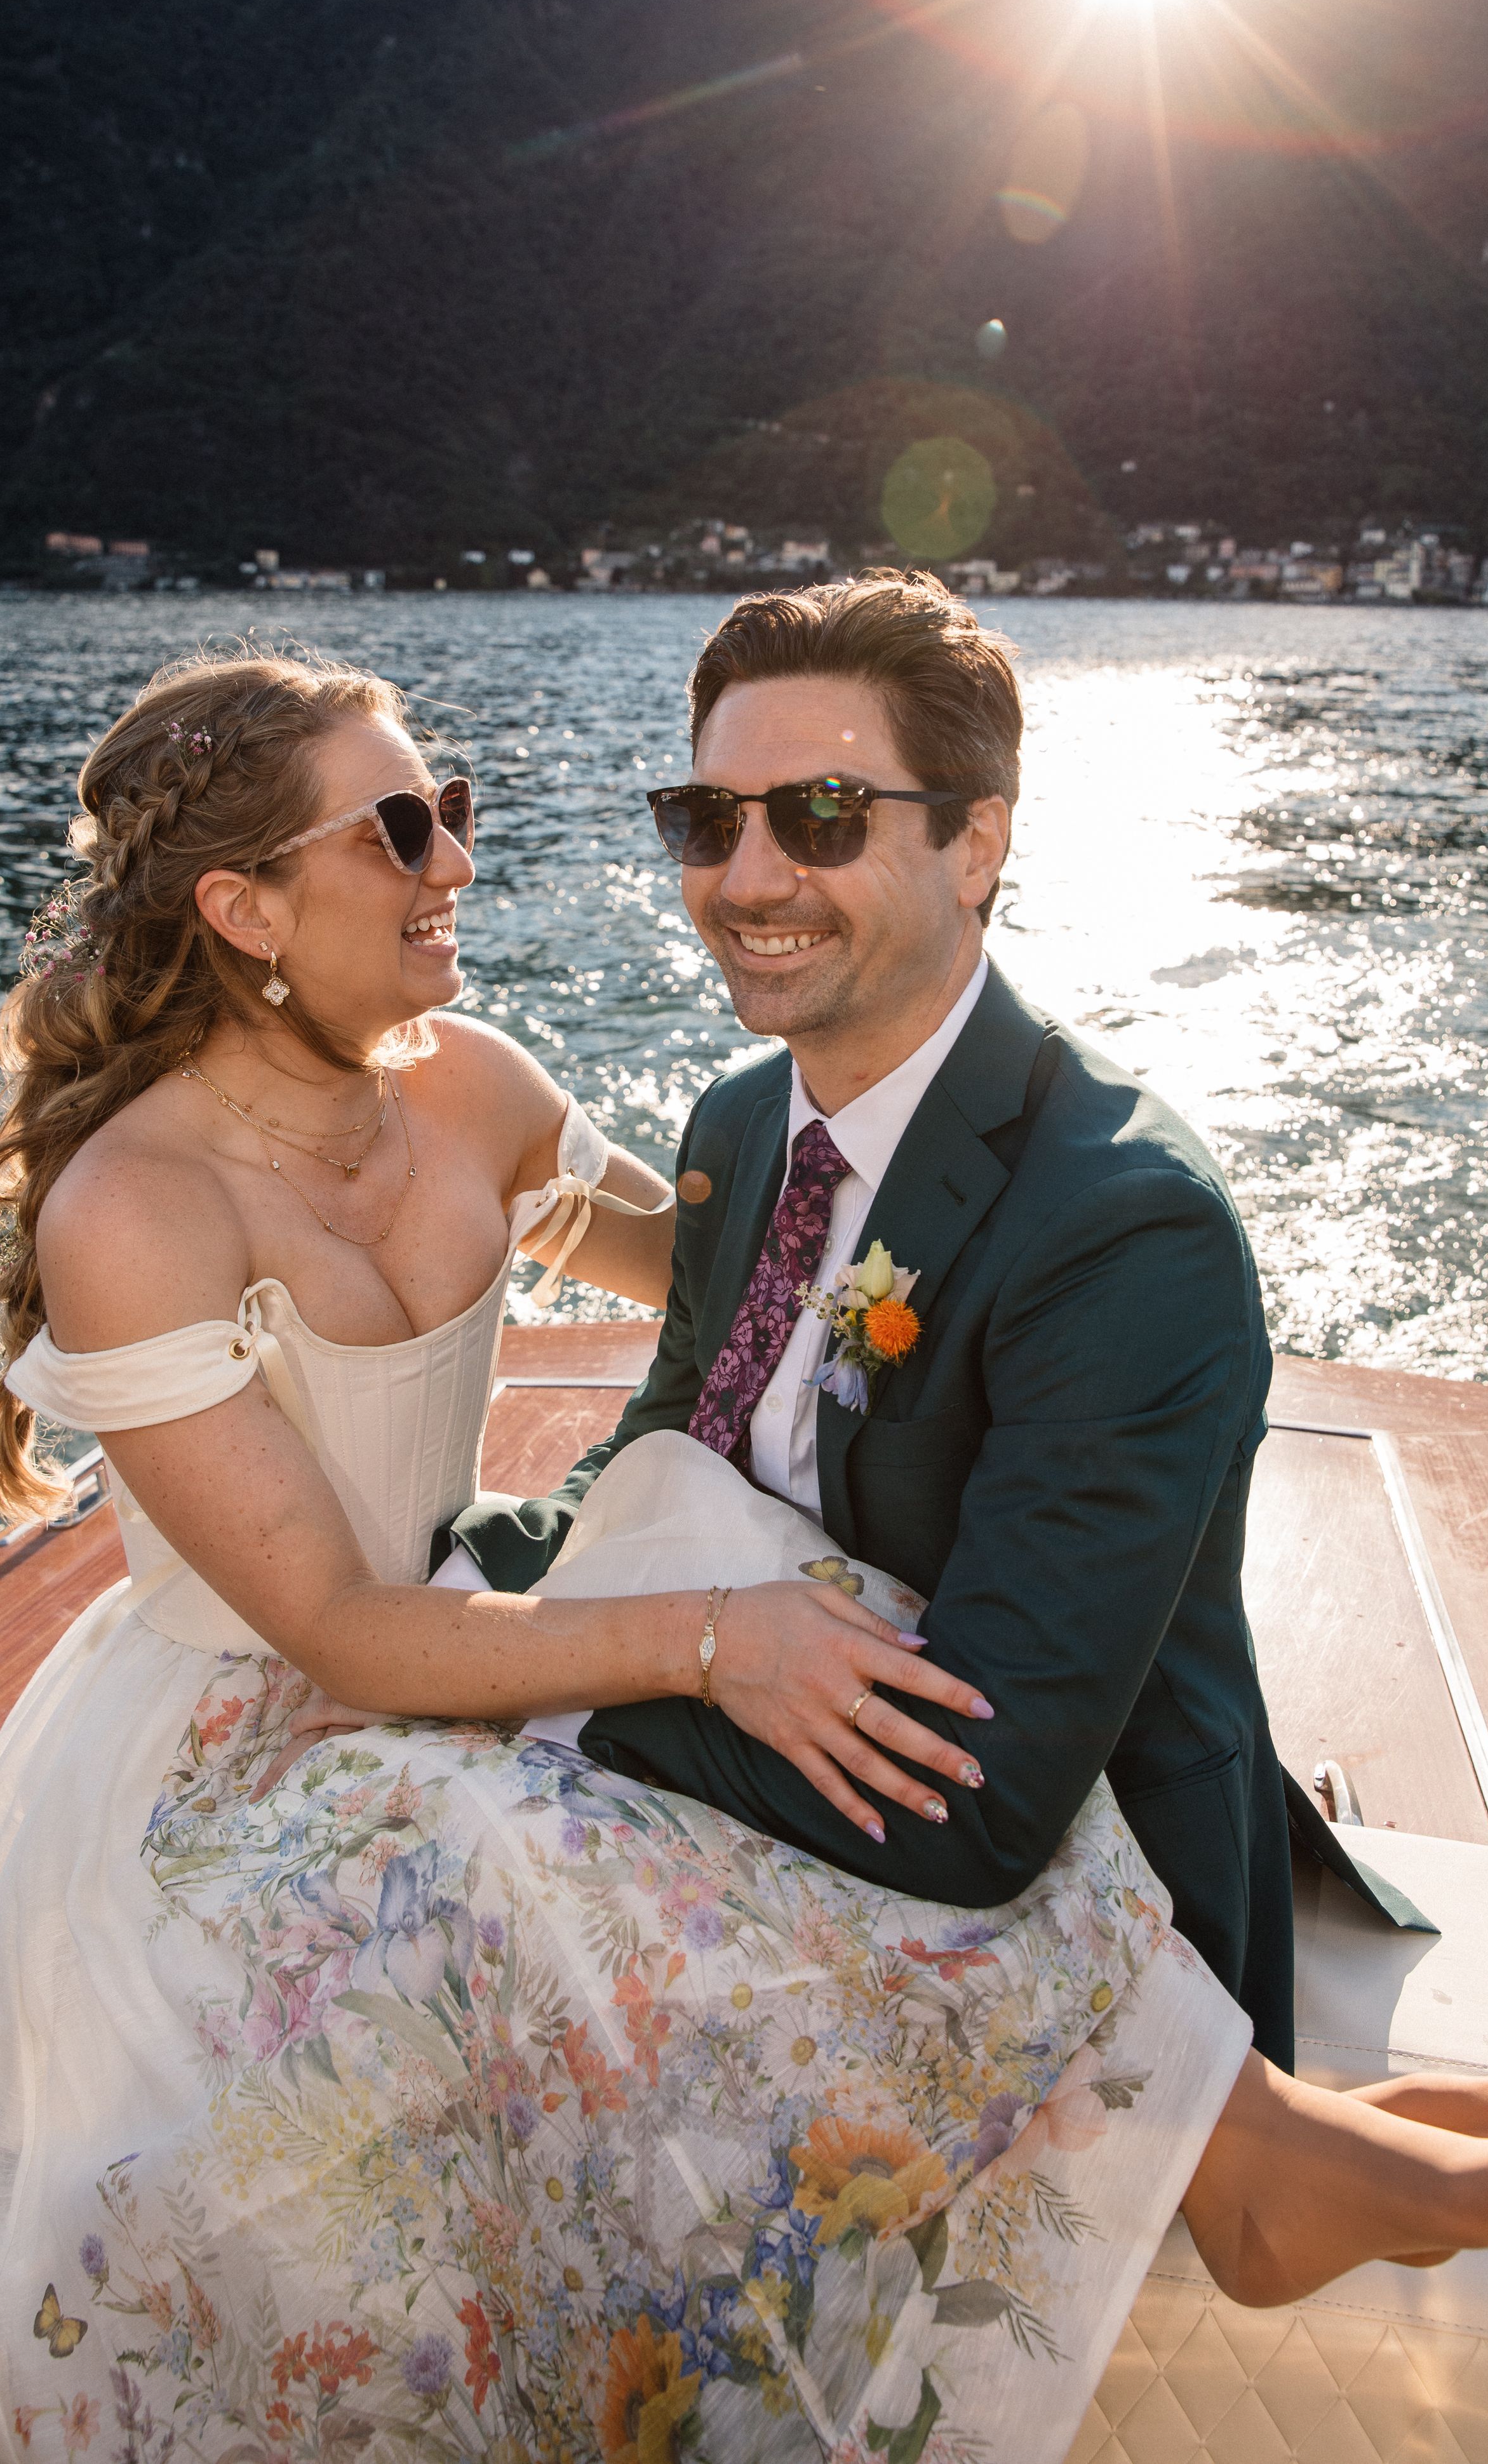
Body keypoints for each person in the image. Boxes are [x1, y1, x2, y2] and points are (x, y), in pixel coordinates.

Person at [0, 641, 1488, 2464]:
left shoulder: (472, 1085)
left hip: (461, 1638)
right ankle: (1237, 2139)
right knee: (493, 1825)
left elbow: (746, 1289)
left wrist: (981, 1218)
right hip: (268, 1717)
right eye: (403, 828)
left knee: (796, 1621)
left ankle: (1238, 2132)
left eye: (452, 811)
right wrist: (709, 1632)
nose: (458, 861)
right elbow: (339, 1626)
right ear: (243, 904)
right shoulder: (134, 1208)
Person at [452, 571, 1405, 2068]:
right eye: (710, 822)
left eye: (823, 815)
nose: (747, 878)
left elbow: (971, 1799)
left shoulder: (1120, 1226)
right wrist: (450, 1610)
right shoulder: (745, 1120)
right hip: (766, 1783)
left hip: (1059, 1906)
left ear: (978, 842)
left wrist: (553, 1703)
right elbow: (670, 1446)